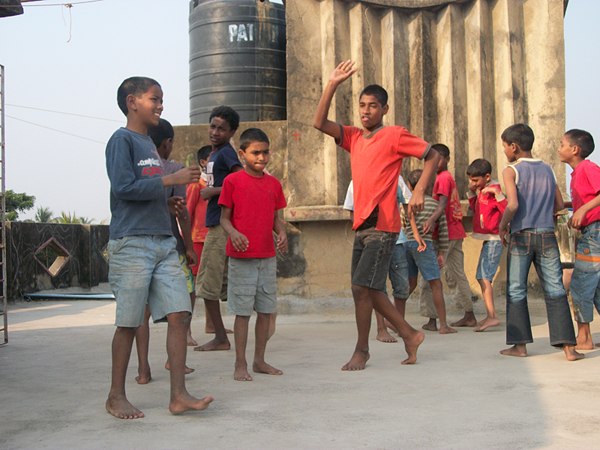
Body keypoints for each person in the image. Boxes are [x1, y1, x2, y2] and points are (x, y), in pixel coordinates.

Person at [313, 60, 437, 370]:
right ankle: (407, 335)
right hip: (362, 224)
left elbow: (433, 154)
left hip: (383, 225)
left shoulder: (394, 135)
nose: (366, 111)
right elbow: (319, 123)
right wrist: (332, 84)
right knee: (364, 289)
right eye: (362, 105)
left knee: (362, 287)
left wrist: (419, 190)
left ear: (384, 109)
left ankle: (367, 348)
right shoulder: (354, 137)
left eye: (372, 106)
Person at [105, 76, 212, 419]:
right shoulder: (121, 140)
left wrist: (166, 204)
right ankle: (115, 396)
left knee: (180, 314)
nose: (161, 105)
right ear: (132, 101)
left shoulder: (149, 145)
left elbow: (144, 191)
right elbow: (123, 188)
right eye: (155, 99)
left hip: (163, 242)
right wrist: (170, 180)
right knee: (129, 322)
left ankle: (178, 395)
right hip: (132, 243)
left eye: (161, 99)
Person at [498, 123, 583, 361]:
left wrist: (502, 225)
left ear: (514, 147)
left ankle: (520, 346)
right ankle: (569, 348)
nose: (504, 151)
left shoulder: (511, 170)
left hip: (521, 235)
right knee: (555, 289)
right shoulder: (547, 169)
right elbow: (559, 205)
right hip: (547, 235)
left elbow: (513, 205)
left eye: (505, 146)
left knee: (516, 289)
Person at [219, 128, 288, 381]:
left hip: (267, 256)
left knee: (266, 311)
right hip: (241, 258)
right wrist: (233, 233)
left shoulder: (273, 184)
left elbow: (275, 218)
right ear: (242, 154)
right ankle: (240, 363)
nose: (261, 157)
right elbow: (224, 219)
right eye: (256, 152)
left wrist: (282, 233)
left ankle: (260, 360)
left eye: (265, 152)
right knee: (243, 313)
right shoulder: (232, 182)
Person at [134, 118, 197, 385]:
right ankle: (174, 360)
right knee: (181, 306)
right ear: (168, 142)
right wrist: (189, 246)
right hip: (170, 245)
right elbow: (181, 213)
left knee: (142, 312)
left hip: (139, 244)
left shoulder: (138, 167)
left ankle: (143, 369)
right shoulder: (175, 169)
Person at [194, 106, 242, 352]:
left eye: (221, 129)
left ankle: (221, 337)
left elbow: (241, 182)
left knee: (207, 284)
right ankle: (219, 334)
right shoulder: (215, 154)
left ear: (232, 132)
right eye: (213, 126)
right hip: (215, 223)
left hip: (221, 225)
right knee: (209, 284)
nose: (215, 132)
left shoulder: (226, 154)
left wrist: (213, 191)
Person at [419, 144, 475, 330]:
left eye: (439, 159)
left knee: (430, 276)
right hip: (455, 231)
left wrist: (430, 220)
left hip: (444, 234)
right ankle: (469, 314)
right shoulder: (445, 177)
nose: (435, 163)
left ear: (447, 160)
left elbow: (442, 204)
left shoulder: (443, 178)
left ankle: (432, 318)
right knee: (457, 274)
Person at [557, 129, 600, 349]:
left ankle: (584, 338)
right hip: (591, 232)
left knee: (581, 283)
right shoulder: (577, 173)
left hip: (594, 233)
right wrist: (569, 206)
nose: (559, 148)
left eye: (562, 144)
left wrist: (583, 210)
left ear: (574, 149)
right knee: (596, 287)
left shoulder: (587, 168)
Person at [186, 145, 232, 336]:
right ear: (204, 162)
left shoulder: (215, 186)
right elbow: (187, 212)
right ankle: (186, 330)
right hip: (198, 239)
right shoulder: (196, 185)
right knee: (194, 286)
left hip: (214, 238)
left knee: (211, 284)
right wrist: (186, 243)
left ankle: (211, 324)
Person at [404, 169, 456, 335]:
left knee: (409, 284)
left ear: (410, 186)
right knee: (436, 284)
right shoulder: (435, 205)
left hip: (407, 244)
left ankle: (394, 320)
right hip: (424, 245)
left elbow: (404, 225)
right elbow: (443, 231)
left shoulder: (407, 204)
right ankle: (443, 325)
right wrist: (442, 252)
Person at [466, 158, 507, 332]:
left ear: (487, 177)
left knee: (484, 277)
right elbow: (476, 209)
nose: (473, 183)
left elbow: (507, 209)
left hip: (494, 239)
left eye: (475, 180)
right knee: (482, 277)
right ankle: (490, 315)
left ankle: (492, 316)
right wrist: (472, 193)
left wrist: (497, 194)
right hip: (488, 239)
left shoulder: (494, 190)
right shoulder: (482, 191)